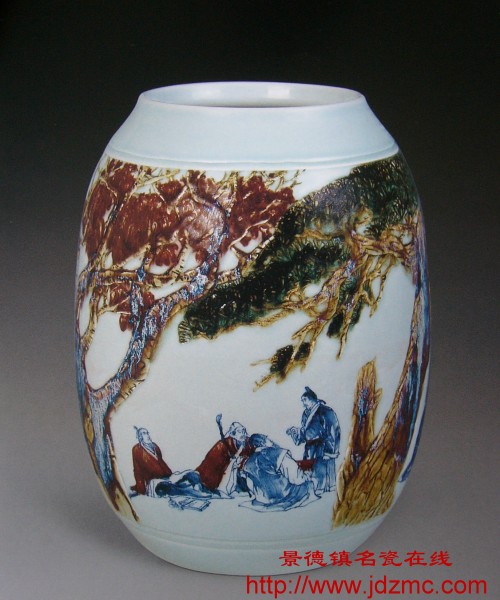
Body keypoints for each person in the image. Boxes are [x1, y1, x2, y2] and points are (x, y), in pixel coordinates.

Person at [240, 434, 317, 511]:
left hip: (263, 499)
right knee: (309, 484)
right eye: (268, 439)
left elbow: (250, 486)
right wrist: (306, 477)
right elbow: (296, 478)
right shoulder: (277, 453)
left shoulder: (248, 463)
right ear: (263, 442)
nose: (272, 441)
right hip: (285, 496)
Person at [286, 386, 341, 493]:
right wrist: (295, 432)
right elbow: (305, 432)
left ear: (312, 399)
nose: (303, 403)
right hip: (310, 448)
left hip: (324, 447)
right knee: (311, 471)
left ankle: (323, 490)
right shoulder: (306, 413)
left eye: (304, 400)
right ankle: (315, 490)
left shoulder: (326, 411)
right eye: (302, 401)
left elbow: (334, 431)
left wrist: (332, 451)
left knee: (322, 471)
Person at [195, 421, 251, 493]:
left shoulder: (248, 443)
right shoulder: (221, 446)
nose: (243, 434)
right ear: (233, 434)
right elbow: (212, 464)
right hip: (217, 475)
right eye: (239, 431)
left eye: (244, 431)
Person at [131, 427, 173, 495]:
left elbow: (161, 462)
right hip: (153, 481)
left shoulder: (155, 446)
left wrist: (170, 474)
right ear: (140, 437)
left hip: (165, 477)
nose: (147, 435)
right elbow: (137, 470)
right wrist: (141, 489)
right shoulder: (137, 449)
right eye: (144, 433)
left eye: (147, 433)